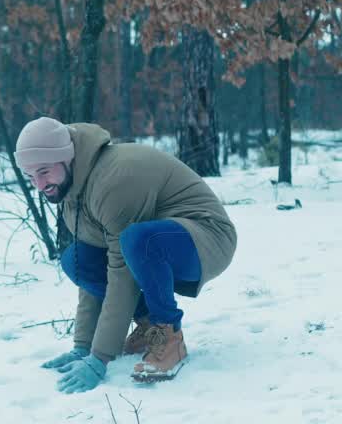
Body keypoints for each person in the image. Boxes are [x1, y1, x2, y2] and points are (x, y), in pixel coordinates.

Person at [15, 117, 237, 393]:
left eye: (44, 171)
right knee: (76, 258)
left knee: (138, 240)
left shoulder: (113, 179)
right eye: (30, 176)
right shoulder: (73, 190)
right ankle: (147, 327)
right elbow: (94, 267)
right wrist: (83, 347)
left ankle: (168, 337)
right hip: (157, 243)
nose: (39, 184)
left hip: (207, 237)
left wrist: (100, 357)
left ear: (66, 157)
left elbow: (121, 273)